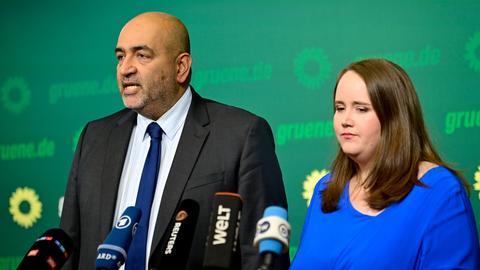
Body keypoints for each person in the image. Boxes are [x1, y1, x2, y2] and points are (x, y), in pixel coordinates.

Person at [60, 12, 289, 270]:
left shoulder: (241, 135)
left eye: (142, 55)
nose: (125, 68)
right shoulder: (94, 138)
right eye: (120, 57)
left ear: (181, 67)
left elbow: (261, 255)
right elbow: (69, 246)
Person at [291, 59, 480, 269]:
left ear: (394, 117)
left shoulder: (440, 191)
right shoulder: (326, 189)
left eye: (361, 109)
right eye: (340, 108)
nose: (346, 119)